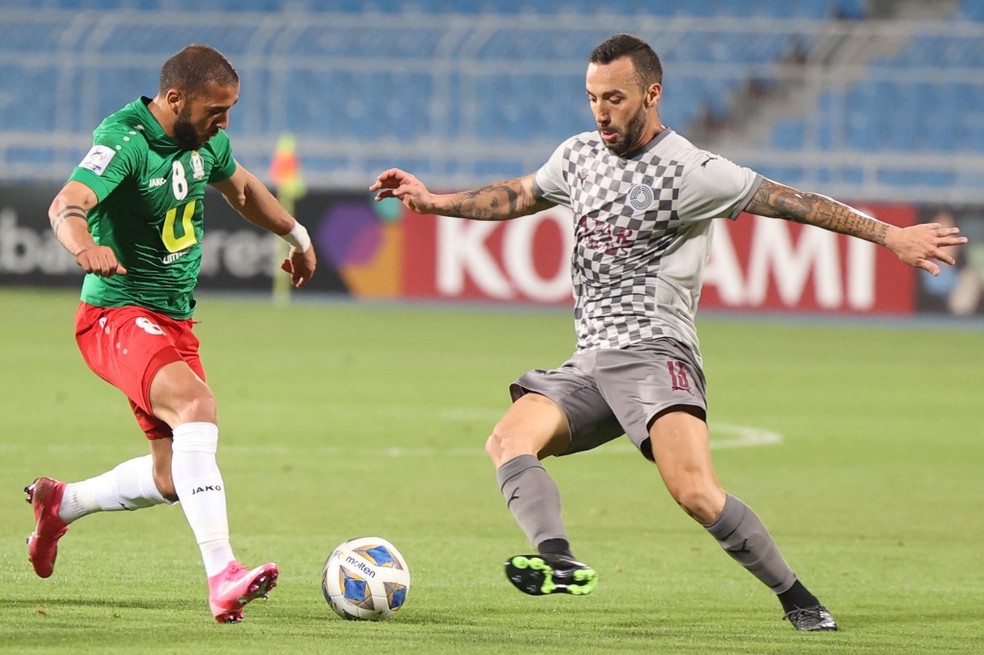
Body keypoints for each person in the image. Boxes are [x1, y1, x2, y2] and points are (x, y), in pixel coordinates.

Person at [370, 33, 966, 631]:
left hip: (656, 353)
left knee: (695, 492)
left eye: (616, 98)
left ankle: (798, 598)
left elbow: (794, 202)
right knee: (507, 440)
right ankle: (558, 559)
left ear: (652, 95)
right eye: (592, 98)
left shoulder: (691, 171)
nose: (601, 112)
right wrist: (433, 200)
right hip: (589, 360)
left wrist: (892, 236)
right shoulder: (577, 155)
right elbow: (520, 195)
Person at [26, 44, 317, 624]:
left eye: (230, 110)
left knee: (171, 476)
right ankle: (223, 575)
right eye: (216, 110)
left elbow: (243, 189)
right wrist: (86, 246)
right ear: (175, 98)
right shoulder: (127, 140)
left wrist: (299, 237)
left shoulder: (204, 139)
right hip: (115, 314)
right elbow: (68, 203)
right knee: (197, 405)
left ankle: (63, 503)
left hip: (173, 320)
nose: (224, 123)